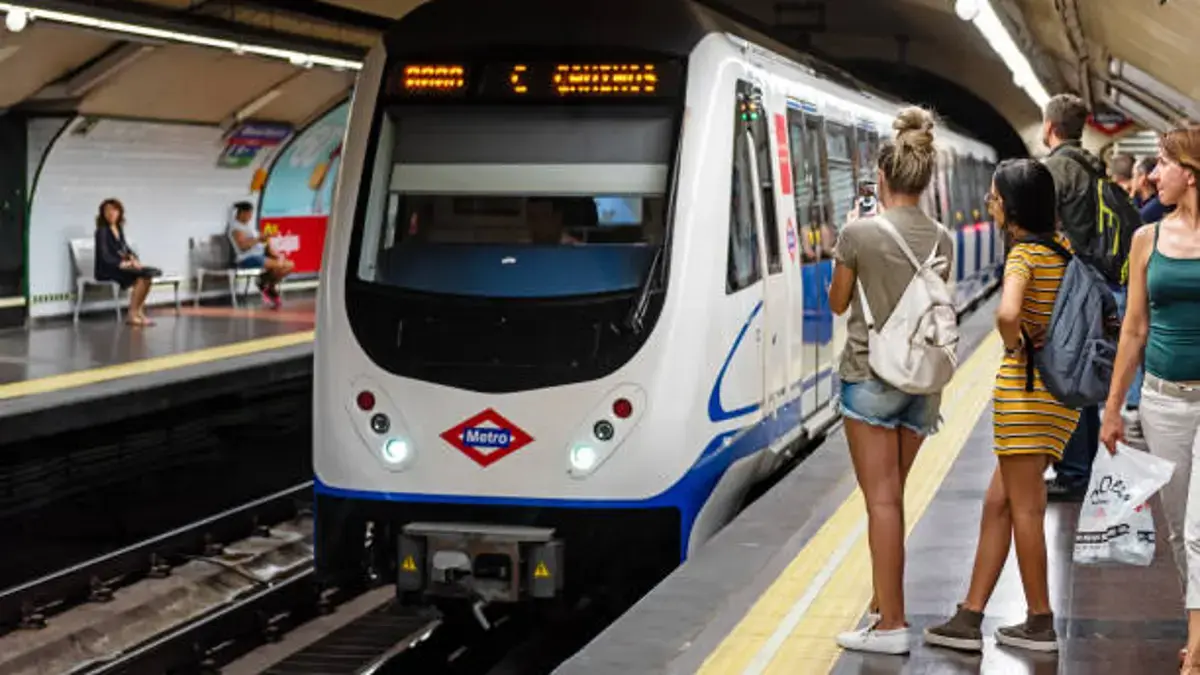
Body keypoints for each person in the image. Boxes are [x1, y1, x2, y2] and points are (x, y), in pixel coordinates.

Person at [924, 159, 1079, 654]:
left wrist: (1016, 344)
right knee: (999, 503)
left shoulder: (1022, 256)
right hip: (1057, 397)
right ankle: (970, 615)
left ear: (1011, 207)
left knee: (1026, 509)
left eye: (994, 197)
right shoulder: (1062, 248)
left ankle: (1039, 620)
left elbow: (1008, 313)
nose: (989, 203)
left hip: (1026, 393)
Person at [827, 107, 954, 655]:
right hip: (923, 384)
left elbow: (837, 303)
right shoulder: (943, 237)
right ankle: (883, 605)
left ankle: (891, 626)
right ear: (925, 179)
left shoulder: (858, 233)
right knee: (894, 498)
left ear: (881, 177)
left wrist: (851, 240)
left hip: (870, 378)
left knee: (881, 503)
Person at [1100, 124, 1200, 673]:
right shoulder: (1147, 239)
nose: (1153, 174)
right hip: (1163, 401)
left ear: (1191, 173)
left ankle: (1197, 653)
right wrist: (1114, 407)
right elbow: (1134, 328)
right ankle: (1198, 624)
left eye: (1163, 163)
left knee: (1199, 530)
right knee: (1179, 529)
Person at [1039, 94, 1107, 500]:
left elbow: (1041, 227)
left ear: (1050, 127)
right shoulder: (1092, 165)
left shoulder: (1055, 169)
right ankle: (1085, 465)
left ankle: (1075, 472)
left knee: (1069, 374)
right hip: (1093, 277)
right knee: (1085, 374)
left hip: (1069, 283)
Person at [93, 198, 160, 327]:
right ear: (102, 213)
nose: (111, 213)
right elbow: (104, 256)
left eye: (114, 210)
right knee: (141, 277)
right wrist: (121, 263)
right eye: (107, 210)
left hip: (119, 267)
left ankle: (139, 312)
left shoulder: (118, 228)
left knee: (147, 277)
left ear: (119, 212)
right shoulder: (101, 231)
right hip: (106, 269)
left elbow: (124, 248)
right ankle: (132, 315)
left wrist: (133, 258)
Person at [226, 201, 294, 309]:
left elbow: (258, 240)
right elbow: (243, 247)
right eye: (248, 214)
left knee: (289, 265)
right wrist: (258, 239)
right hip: (248, 258)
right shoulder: (236, 228)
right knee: (280, 266)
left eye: (251, 214)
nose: (250, 217)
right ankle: (266, 285)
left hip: (260, 255)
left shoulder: (248, 226)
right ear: (241, 213)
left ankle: (265, 284)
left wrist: (266, 239)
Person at [1135, 156, 1172, 224]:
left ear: (1142, 178)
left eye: (1133, 175)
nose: (1132, 181)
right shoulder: (1138, 200)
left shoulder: (1157, 205)